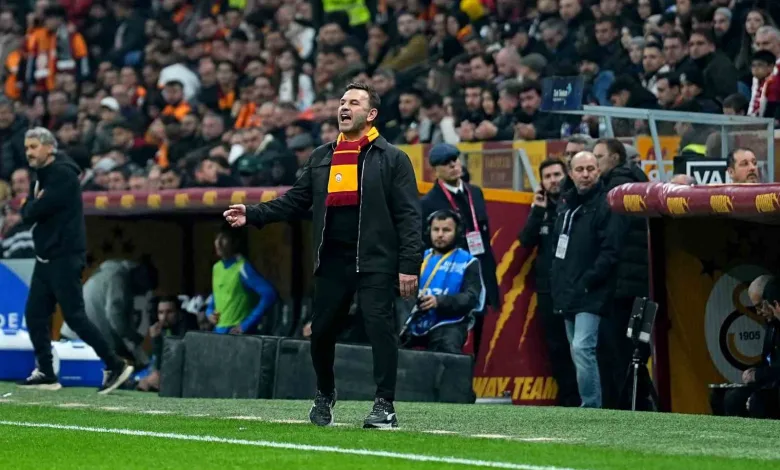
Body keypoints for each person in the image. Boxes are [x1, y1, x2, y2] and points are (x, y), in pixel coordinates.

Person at [223, 82, 421, 429]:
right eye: (343, 102)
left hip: (375, 260)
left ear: (371, 114)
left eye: (354, 103)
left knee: (379, 328)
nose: (344, 107)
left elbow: (409, 216)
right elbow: (295, 200)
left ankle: (384, 404)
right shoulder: (322, 157)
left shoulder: (393, 158)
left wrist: (408, 265)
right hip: (331, 260)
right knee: (321, 332)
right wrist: (253, 214)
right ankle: (325, 393)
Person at [16, 127, 134, 394]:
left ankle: (115, 364)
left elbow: (33, 211)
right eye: (26, 148)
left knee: (75, 317)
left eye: (33, 147)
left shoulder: (63, 175)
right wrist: (32, 206)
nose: (29, 153)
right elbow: (26, 211)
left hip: (64, 256)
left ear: (50, 148)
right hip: (46, 258)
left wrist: (32, 206)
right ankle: (46, 371)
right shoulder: (42, 176)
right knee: (35, 315)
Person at [550, 151, 624, 408]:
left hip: (591, 291)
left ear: (598, 171)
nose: (585, 174)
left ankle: (591, 406)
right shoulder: (565, 205)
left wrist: (587, 281)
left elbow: (610, 251)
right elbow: (558, 249)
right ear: (571, 174)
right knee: (576, 349)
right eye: (580, 170)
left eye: (590, 169)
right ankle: (589, 402)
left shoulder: (606, 204)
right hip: (567, 289)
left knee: (583, 347)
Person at [420, 143, 499, 358]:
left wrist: (491, 280)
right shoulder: (428, 203)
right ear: (435, 170)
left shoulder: (476, 193)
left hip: (480, 273)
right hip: (451, 280)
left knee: (478, 336)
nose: (453, 165)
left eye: (455, 160)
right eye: (446, 163)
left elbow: (484, 237)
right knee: (450, 342)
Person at [519, 158, 579, 407]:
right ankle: (568, 400)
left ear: (567, 176)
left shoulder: (576, 204)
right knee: (556, 347)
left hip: (576, 287)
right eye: (548, 176)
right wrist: (537, 210)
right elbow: (525, 241)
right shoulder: (541, 209)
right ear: (541, 182)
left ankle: (590, 400)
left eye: (557, 174)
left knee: (581, 346)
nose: (553, 180)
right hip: (548, 290)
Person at [402, 210, 485, 354]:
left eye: (446, 230)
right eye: (436, 229)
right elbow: (402, 291)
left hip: (449, 323)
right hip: (414, 320)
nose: (440, 234)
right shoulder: (418, 257)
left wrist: (439, 301)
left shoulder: (468, 262)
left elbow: (471, 298)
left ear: (458, 232)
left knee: (446, 351)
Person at [204, 227, 278, 334]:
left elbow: (269, 294)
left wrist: (246, 324)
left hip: (237, 336)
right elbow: (217, 294)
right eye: (216, 238)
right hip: (218, 333)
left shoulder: (242, 267)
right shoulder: (216, 268)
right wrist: (209, 311)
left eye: (223, 238)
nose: (218, 243)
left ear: (235, 242)